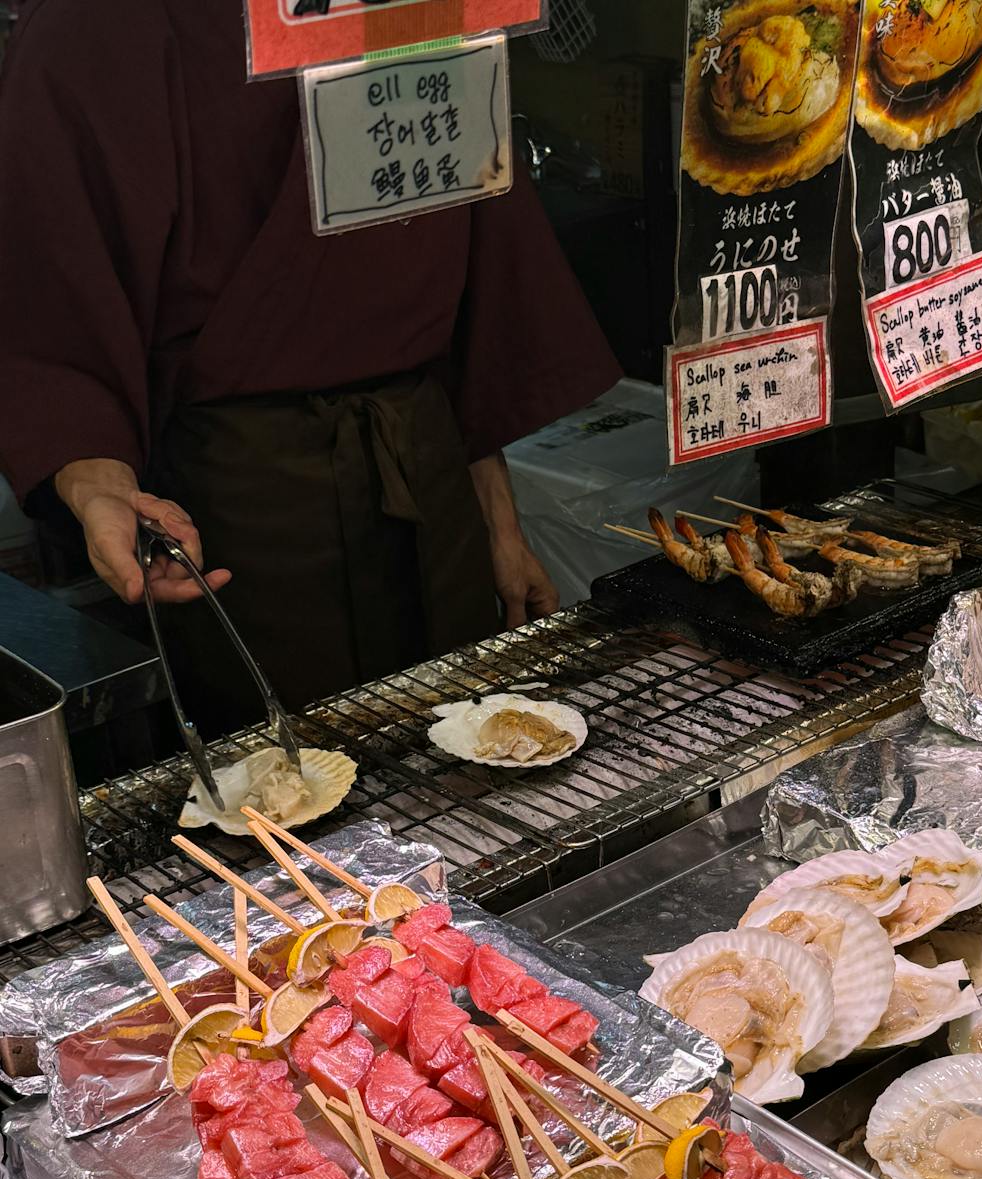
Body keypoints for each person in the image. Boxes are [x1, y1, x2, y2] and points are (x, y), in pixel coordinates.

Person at [0, 0, 620, 732]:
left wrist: (498, 523)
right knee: (290, 800)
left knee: (466, 772)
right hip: (243, 510)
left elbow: (470, 253)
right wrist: (95, 479)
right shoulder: (109, 23)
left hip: (429, 473)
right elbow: (55, 290)